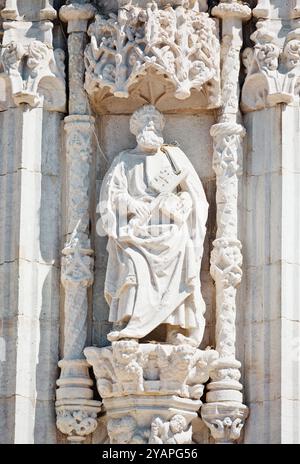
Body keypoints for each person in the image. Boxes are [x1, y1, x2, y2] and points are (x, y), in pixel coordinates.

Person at [99, 105, 208, 346]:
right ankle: (129, 322)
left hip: (170, 230)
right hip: (136, 232)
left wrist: (176, 204)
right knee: (132, 262)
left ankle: (176, 328)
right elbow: (111, 195)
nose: (151, 128)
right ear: (135, 130)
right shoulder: (124, 160)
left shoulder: (173, 158)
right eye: (145, 124)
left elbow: (194, 196)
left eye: (155, 124)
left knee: (181, 252)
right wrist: (131, 204)